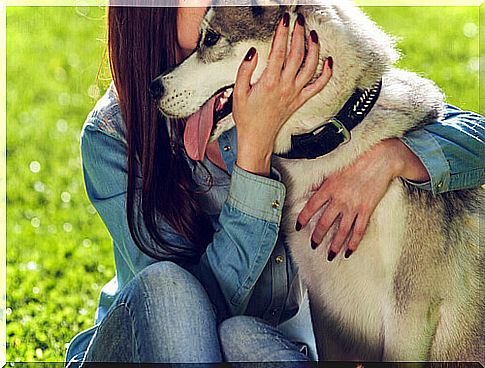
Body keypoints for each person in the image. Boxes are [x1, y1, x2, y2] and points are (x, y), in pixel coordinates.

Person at [64, 4, 485, 367]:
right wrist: (254, 154)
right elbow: (190, 319)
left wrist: (390, 157)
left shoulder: (280, 83)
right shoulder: (112, 135)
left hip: (256, 345)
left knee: (242, 336)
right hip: (147, 346)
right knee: (170, 289)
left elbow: (470, 132)